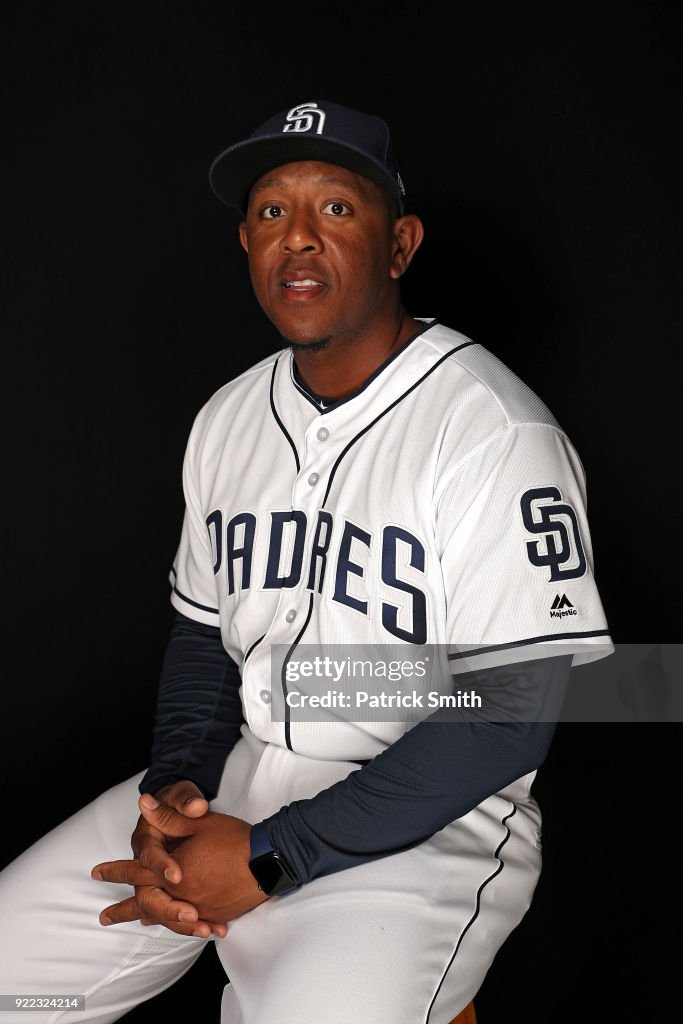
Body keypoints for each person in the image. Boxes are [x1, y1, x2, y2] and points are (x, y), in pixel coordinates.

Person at [0, 99, 613, 1023]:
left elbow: (502, 722)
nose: (297, 239)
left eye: (334, 209)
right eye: (270, 212)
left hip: (424, 826)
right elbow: (205, 639)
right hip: (243, 779)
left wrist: (266, 859)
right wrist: (174, 799)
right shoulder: (228, 418)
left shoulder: (493, 431)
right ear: (246, 243)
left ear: (399, 245)